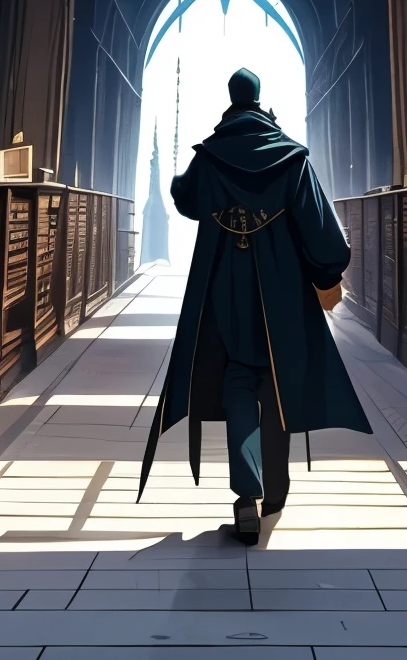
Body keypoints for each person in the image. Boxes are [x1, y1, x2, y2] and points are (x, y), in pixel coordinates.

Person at [139, 68, 371, 542]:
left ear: (231, 100)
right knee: (278, 381)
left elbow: (183, 198)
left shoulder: (211, 154)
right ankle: (276, 495)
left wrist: (208, 156)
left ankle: (246, 492)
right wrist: (326, 276)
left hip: (225, 285)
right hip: (282, 289)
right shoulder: (291, 158)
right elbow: (326, 239)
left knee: (238, 381)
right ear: (261, 102)